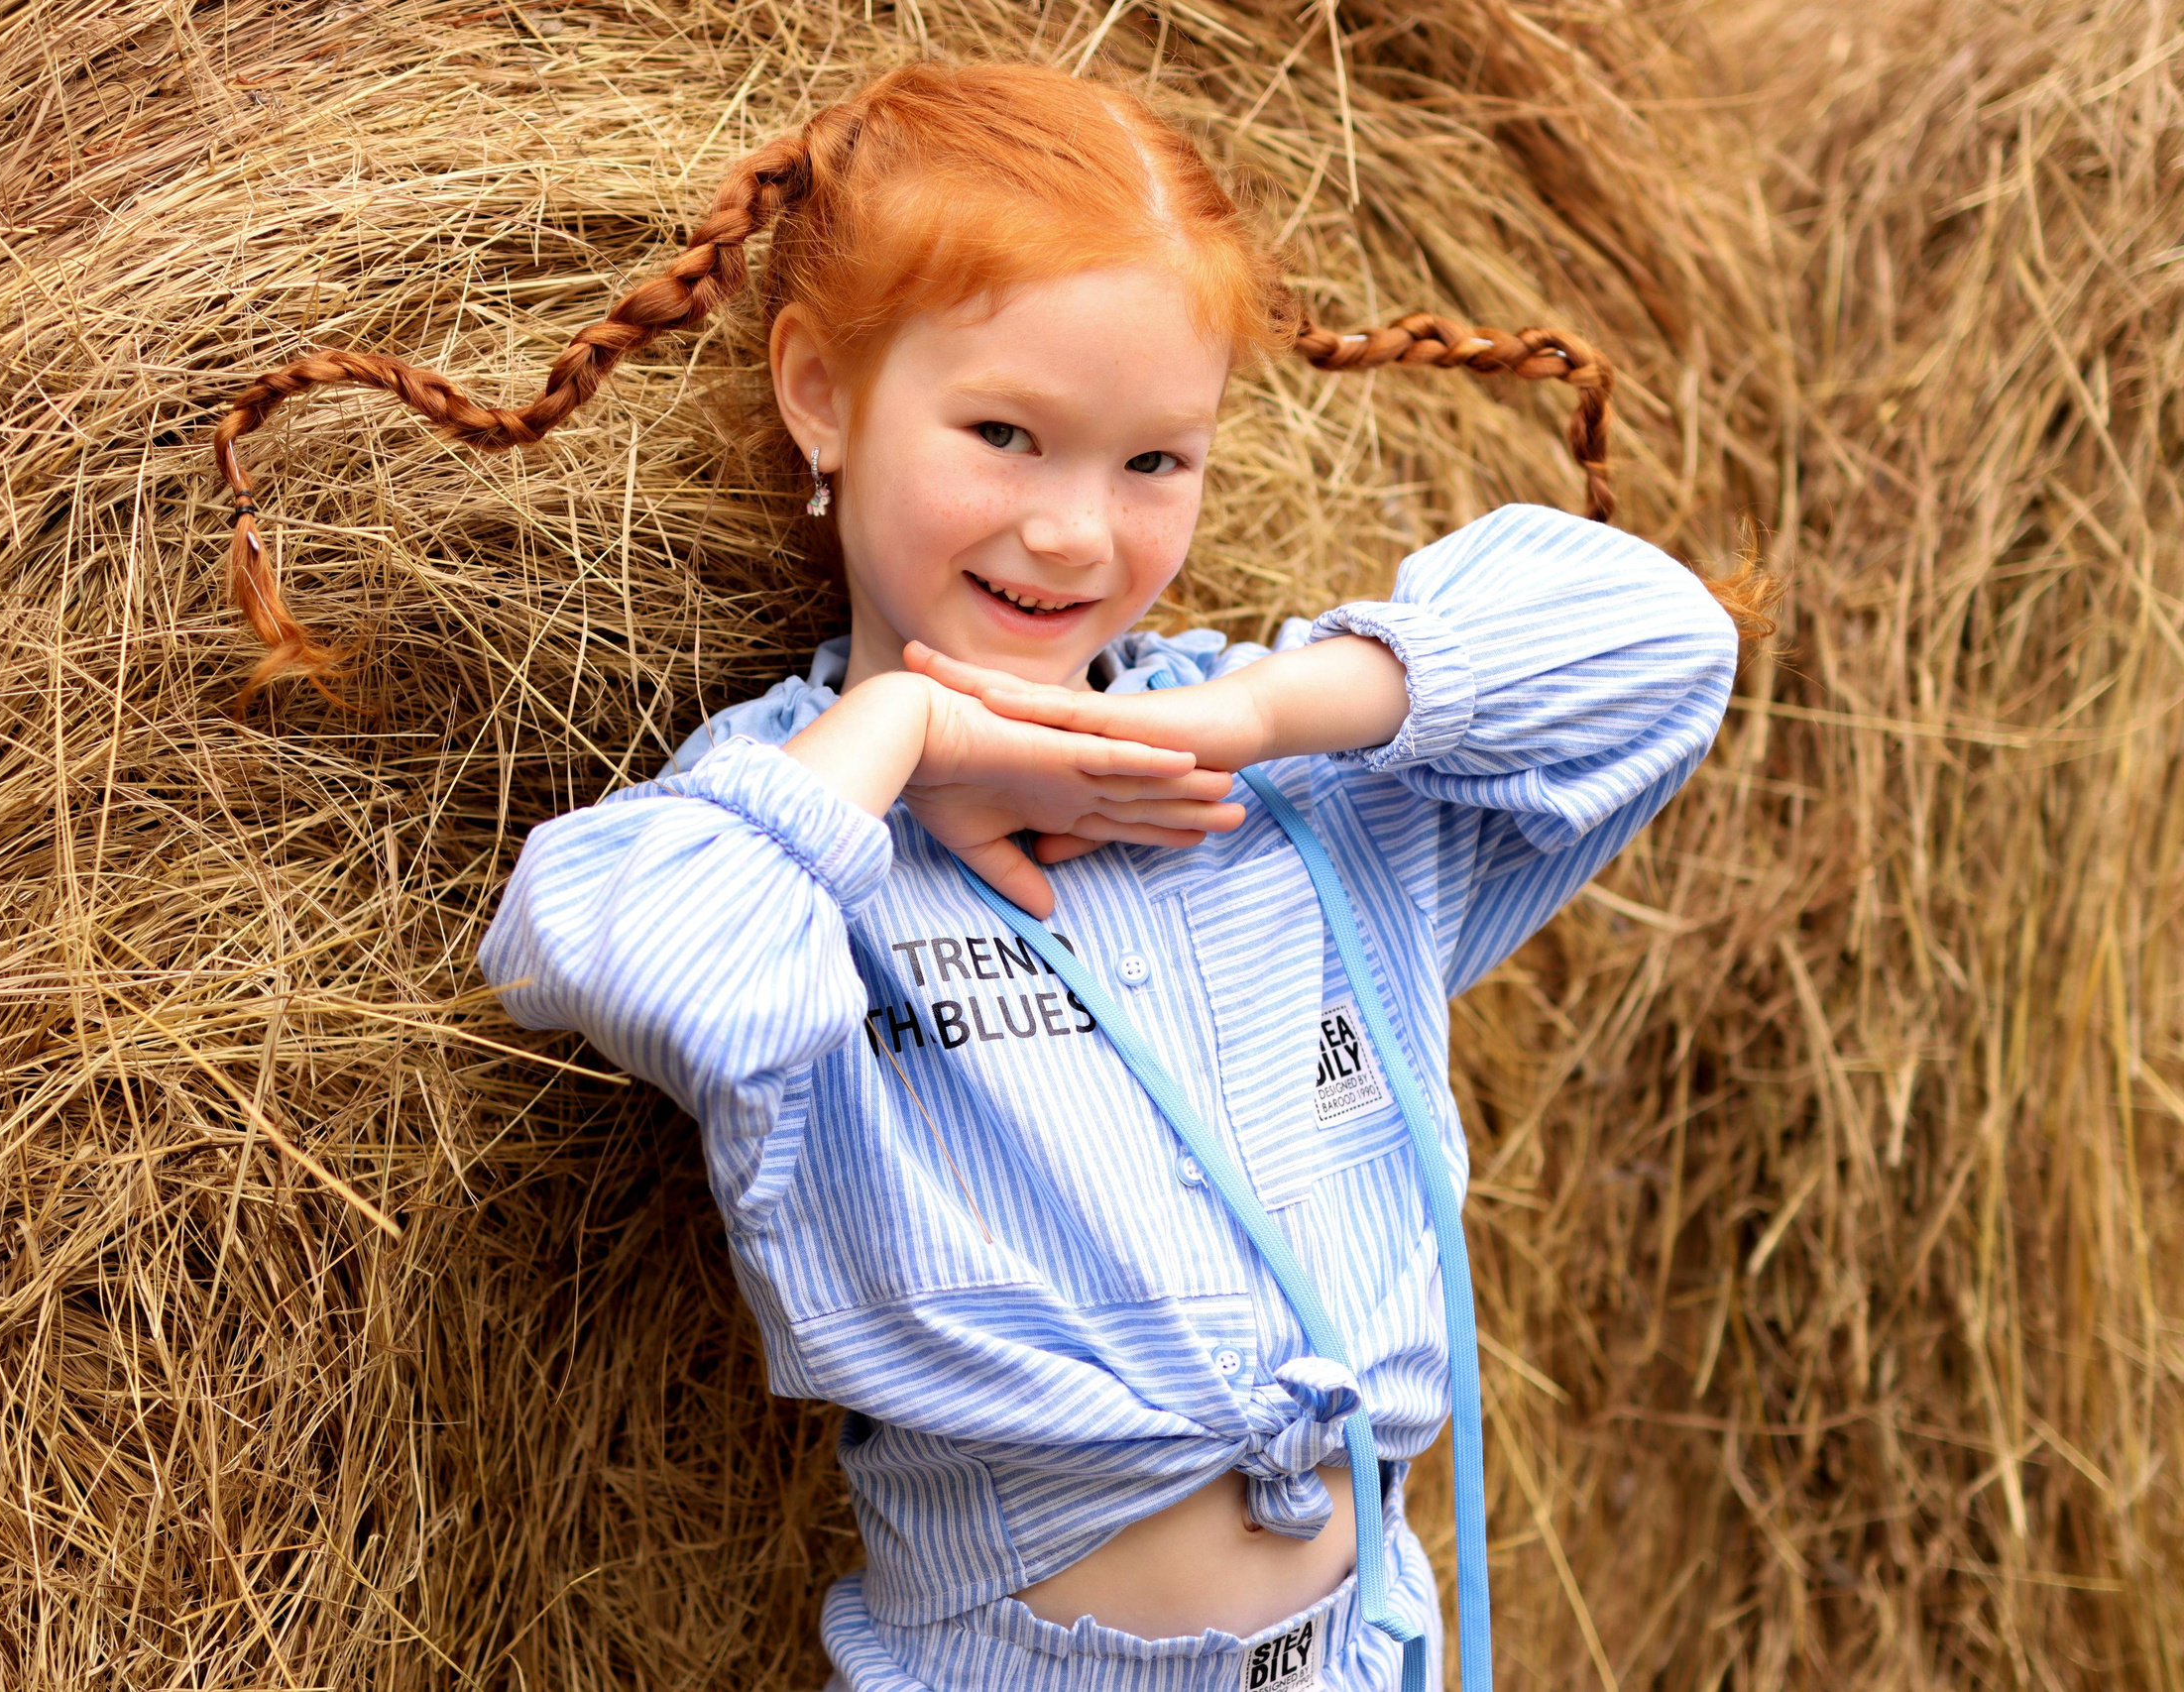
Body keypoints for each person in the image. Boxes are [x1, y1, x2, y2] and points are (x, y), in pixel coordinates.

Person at [210, 59, 1768, 1692]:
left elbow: (1659, 644)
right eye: (1006, 435)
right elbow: (603, 948)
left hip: (1374, 1652)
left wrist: (1263, 709)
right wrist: (906, 731)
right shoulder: (801, 835)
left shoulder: (1300, 800)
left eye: (1156, 461)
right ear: (822, 392)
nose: (1076, 534)